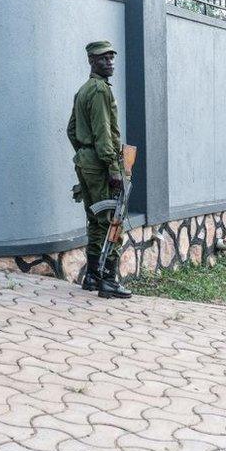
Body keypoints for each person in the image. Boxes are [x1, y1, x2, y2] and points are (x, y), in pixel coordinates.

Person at [67, 40, 132, 299]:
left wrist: (84, 152)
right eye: (103, 58)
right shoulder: (100, 91)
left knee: (96, 220)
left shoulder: (84, 90)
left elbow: (72, 129)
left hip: (86, 161)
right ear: (92, 62)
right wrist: (113, 169)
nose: (110, 62)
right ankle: (109, 280)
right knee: (112, 221)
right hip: (101, 163)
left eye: (111, 58)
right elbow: (105, 135)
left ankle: (92, 276)